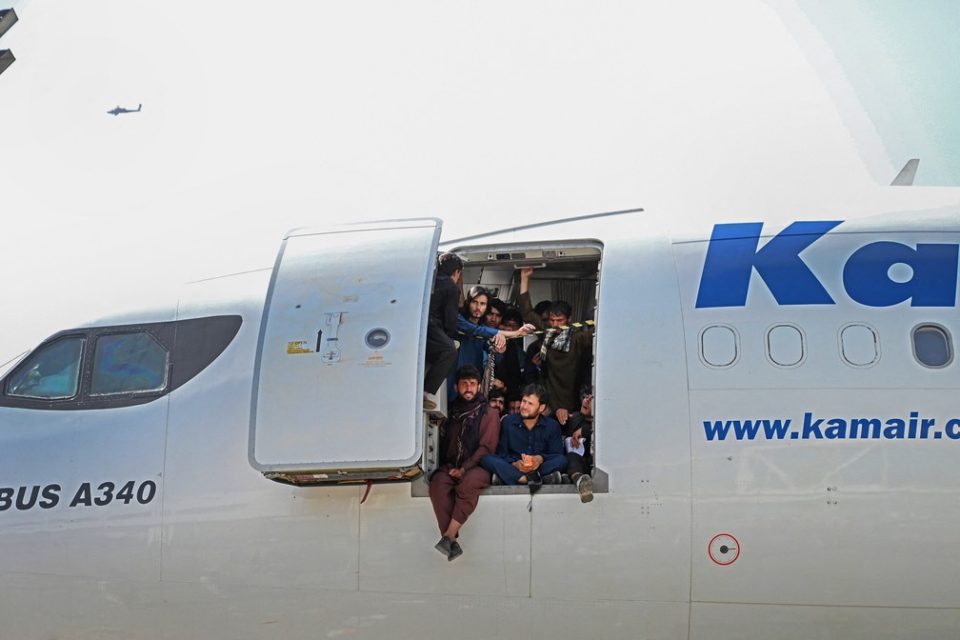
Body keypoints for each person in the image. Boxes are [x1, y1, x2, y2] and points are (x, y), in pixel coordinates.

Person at [429, 365, 500, 561]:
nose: (468, 388)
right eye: (464, 384)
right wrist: (454, 468)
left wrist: (464, 468)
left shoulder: (489, 413)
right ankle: (450, 542)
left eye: (472, 384)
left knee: (468, 484)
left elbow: (487, 447)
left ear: (479, 387)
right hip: (452, 466)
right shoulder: (450, 411)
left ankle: (449, 535)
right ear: (455, 387)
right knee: (437, 484)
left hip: (479, 467)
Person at [517, 267, 593, 426]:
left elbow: (599, 332)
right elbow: (527, 312)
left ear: (569, 320)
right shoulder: (546, 334)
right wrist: (525, 278)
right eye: (552, 320)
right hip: (549, 405)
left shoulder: (578, 339)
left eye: (560, 321)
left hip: (574, 406)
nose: (555, 325)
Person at [451, 286, 534, 398]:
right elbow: (477, 331)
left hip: (474, 384)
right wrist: (516, 333)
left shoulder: (485, 330)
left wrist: (499, 346)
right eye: (474, 302)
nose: (478, 307)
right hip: (454, 381)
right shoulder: (459, 320)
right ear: (468, 303)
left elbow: (489, 346)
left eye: (482, 304)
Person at [481, 384, 567, 486]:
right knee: (486, 458)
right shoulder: (507, 422)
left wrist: (539, 459)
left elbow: (557, 455)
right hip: (514, 468)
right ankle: (526, 479)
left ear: (541, 408)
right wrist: (515, 464)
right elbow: (502, 454)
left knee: (563, 460)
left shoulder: (552, 426)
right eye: (524, 401)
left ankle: (510, 478)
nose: (524, 406)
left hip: (539, 467)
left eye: (530, 404)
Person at [424, 253, 462, 409]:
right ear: (456, 272)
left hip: (421, 327)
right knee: (450, 351)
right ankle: (425, 393)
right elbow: (450, 320)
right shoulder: (451, 287)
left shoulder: (428, 280)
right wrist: (450, 339)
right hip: (431, 327)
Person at [563, 386, 594, 503]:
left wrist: (585, 430)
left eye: (591, 399)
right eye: (585, 397)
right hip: (574, 466)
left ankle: (582, 481)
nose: (586, 401)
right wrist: (558, 411)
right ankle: (581, 482)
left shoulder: (604, 421)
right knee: (571, 456)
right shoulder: (575, 418)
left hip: (593, 466)